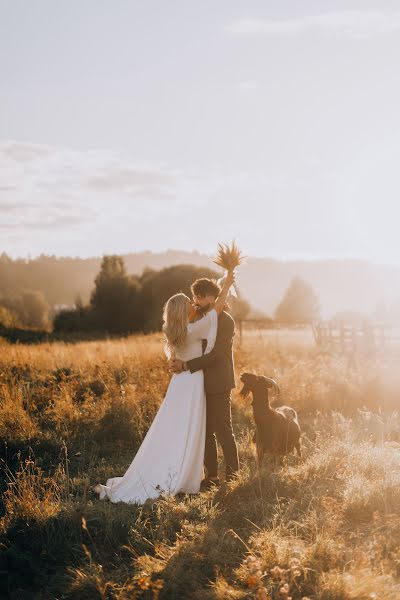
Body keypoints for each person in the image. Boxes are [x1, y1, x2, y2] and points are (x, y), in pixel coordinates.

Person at [93, 270, 235, 504]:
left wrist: (224, 283)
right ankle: (186, 471)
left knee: (179, 428)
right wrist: (227, 283)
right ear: (183, 310)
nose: (195, 304)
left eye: (196, 299)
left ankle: (183, 466)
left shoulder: (176, 330)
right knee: (191, 427)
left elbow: (214, 311)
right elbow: (217, 307)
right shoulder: (194, 328)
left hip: (180, 383)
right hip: (191, 382)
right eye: (191, 302)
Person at [170, 277, 239, 488]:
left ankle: (233, 475)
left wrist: (185, 365)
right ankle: (211, 477)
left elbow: (216, 355)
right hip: (199, 384)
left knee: (223, 428)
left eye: (200, 296)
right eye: (194, 297)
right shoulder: (199, 318)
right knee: (206, 431)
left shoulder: (225, 321)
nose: (196, 301)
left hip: (218, 382)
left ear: (212, 297)